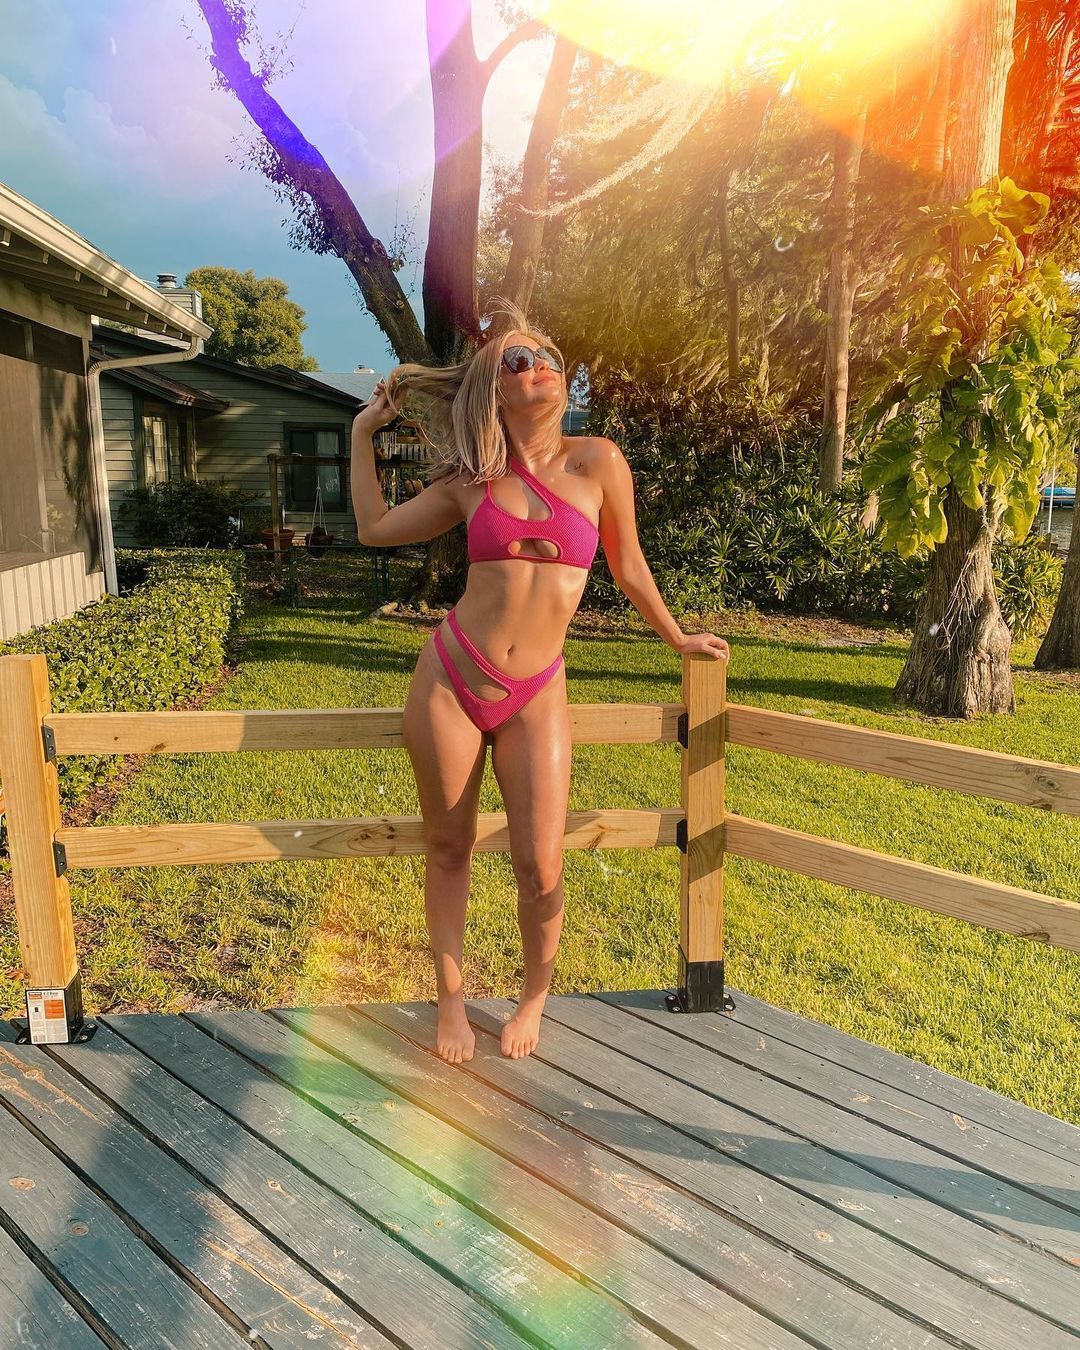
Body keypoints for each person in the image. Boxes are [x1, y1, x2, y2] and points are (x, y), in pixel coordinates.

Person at [350, 297, 729, 1065]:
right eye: (517, 361)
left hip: (537, 692)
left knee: (541, 864)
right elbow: (374, 529)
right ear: (493, 388)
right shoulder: (471, 480)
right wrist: (362, 435)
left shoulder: (598, 461)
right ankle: (450, 1002)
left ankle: (533, 999)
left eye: (546, 357)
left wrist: (678, 637)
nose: (539, 368)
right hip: (452, 678)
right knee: (448, 847)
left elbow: (628, 567)